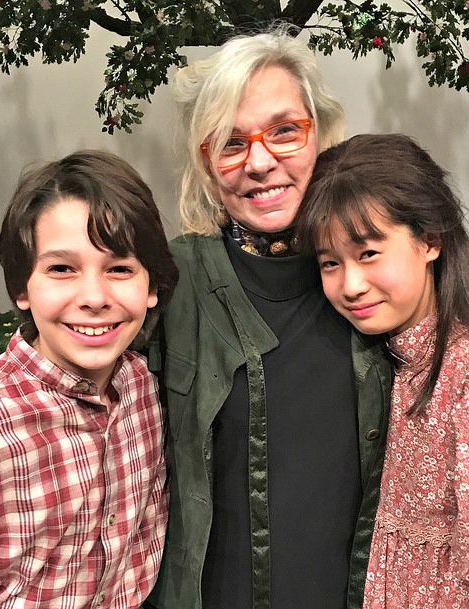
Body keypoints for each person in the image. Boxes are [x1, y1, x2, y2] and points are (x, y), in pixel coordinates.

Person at [144, 31, 393, 609]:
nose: (259, 163)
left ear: (321, 135)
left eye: (284, 131)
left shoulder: (376, 283)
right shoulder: (169, 282)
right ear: (206, 164)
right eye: (230, 143)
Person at [295, 133, 469, 607]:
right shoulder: (382, 361)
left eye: (368, 253)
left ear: (430, 241)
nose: (351, 285)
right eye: (330, 262)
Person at [0, 150, 178, 608]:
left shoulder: (145, 389)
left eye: (120, 269)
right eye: (62, 269)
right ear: (22, 287)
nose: (94, 297)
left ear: (152, 286)